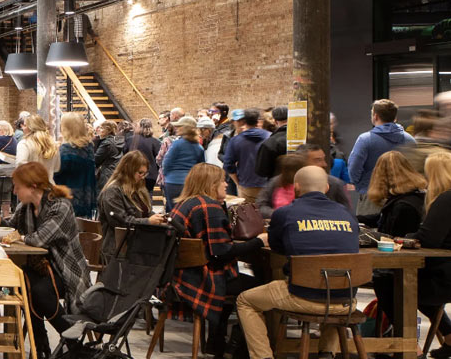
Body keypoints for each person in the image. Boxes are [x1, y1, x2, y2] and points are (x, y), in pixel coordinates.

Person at [235, 166, 357, 359]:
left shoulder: (285, 213)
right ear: (326, 187)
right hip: (345, 301)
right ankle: (327, 353)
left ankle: (263, 356)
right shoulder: (347, 215)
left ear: (296, 187)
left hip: (302, 296)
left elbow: (277, 247)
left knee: (245, 301)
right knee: (333, 285)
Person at [0, 163, 87, 359]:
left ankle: (68, 342)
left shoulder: (60, 206)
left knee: (36, 291)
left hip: (66, 270)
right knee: (24, 283)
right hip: (41, 268)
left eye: (17, 186)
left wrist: (18, 237)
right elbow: (10, 226)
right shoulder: (26, 207)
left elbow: (39, 239)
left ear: (33, 186)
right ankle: (42, 344)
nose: (14, 191)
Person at [168, 163, 265, 359]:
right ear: (211, 184)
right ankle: (239, 347)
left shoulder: (184, 203)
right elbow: (221, 252)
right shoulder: (209, 207)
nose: (226, 184)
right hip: (202, 279)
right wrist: (259, 241)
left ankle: (217, 342)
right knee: (262, 287)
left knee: (238, 282)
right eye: (222, 180)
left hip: (180, 276)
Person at [377, 152, 451, 349]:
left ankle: (410, 346)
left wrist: (401, 238)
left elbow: (428, 239)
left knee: (387, 280)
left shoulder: (446, 200)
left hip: (444, 277)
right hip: (444, 273)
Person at [97, 151, 166, 264]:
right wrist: (148, 221)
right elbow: (121, 222)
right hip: (118, 248)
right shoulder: (112, 191)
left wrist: (157, 218)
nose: (143, 177)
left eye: (145, 173)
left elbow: (146, 212)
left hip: (135, 244)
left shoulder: (138, 188)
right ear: (128, 170)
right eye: (140, 173)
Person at [350, 99, 413, 215]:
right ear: (395, 117)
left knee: (368, 226)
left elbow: (354, 167)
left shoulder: (365, 139)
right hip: (403, 196)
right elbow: (414, 168)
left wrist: (361, 185)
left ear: (375, 116)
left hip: (371, 195)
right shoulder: (409, 140)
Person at [257, 146, 353, 217]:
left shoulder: (334, 184)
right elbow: (261, 205)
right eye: (318, 160)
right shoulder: (278, 181)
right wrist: (278, 214)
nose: (324, 164)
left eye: (324, 159)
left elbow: (347, 212)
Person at [357, 149, 426, 236]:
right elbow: (382, 218)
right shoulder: (411, 197)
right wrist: (355, 218)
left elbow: (393, 236)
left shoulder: (402, 207)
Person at [222, 108, 271, 204]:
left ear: (244, 121)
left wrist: (238, 183)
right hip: (269, 184)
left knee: (248, 212)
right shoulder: (270, 137)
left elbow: (228, 165)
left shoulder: (235, 140)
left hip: (247, 185)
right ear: (258, 121)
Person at [54, 113, 98, 218]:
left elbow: (57, 174)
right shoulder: (89, 147)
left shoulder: (66, 149)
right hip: (86, 197)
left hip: (68, 198)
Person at [161, 120, 205, 211]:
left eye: (180, 126)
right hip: (190, 184)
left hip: (173, 182)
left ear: (186, 129)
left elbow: (166, 163)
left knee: (173, 211)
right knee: (187, 211)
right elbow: (201, 167)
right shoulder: (199, 147)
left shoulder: (177, 144)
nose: (177, 128)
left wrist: (167, 177)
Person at [16, 114, 61, 182]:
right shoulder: (53, 144)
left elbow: (20, 166)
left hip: (31, 185)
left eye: (25, 125)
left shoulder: (24, 144)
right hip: (49, 184)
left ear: (31, 127)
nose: (22, 128)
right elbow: (56, 168)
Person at [130, 118, 162, 195]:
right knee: (148, 196)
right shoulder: (156, 142)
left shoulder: (130, 140)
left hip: (133, 173)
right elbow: (159, 159)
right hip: (150, 174)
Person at [93, 121, 125, 190]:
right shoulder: (116, 141)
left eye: (101, 128)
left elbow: (96, 159)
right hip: (114, 172)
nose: (99, 130)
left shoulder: (107, 143)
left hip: (106, 174)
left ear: (108, 130)